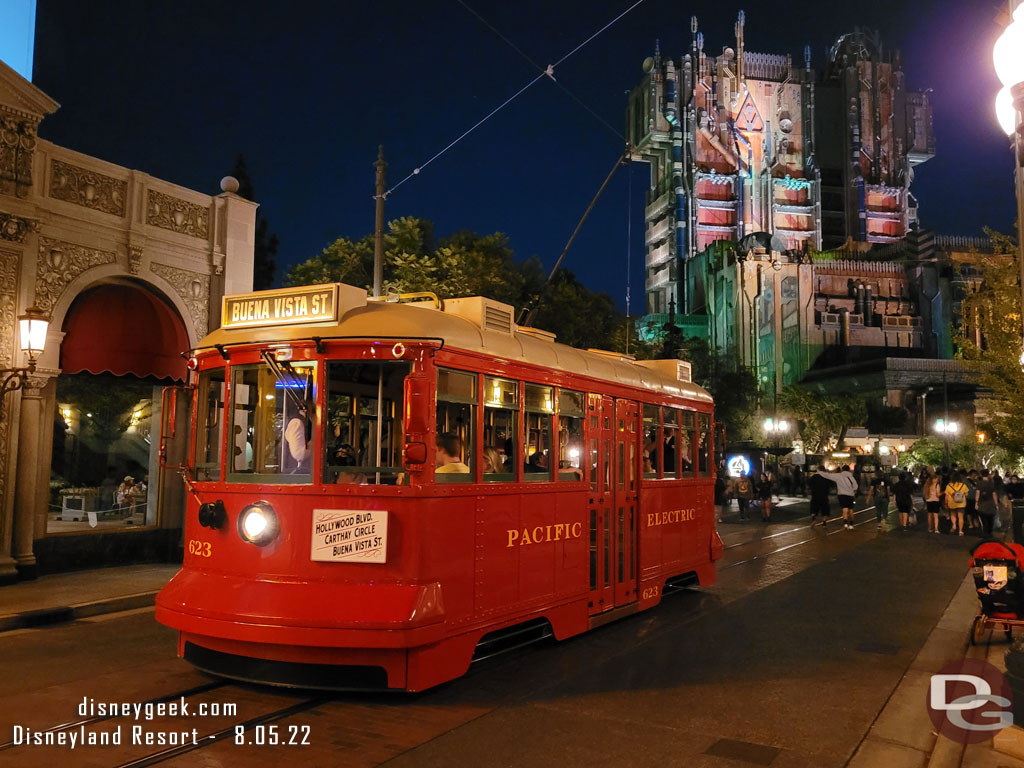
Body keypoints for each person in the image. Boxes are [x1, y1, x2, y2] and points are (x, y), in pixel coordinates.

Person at [817, 465, 858, 530]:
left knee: (844, 509)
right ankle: (851, 524)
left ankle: (845, 523)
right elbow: (855, 487)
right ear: (849, 470)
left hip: (842, 495)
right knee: (851, 510)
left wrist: (819, 472)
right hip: (850, 495)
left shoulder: (838, 476)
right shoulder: (851, 477)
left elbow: (828, 475)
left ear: (842, 470)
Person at [284, 398, 313, 473]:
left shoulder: (303, 422)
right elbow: (299, 454)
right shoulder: (297, 422)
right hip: (297, 473)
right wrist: (314, 443)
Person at [944, 470, 969, 536]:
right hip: (961, 503)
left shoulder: (949, 486)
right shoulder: (963, 485)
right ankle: (960, 531)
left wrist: (945, 503)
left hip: (952, 503)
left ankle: (954, 525)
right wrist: (962, 495)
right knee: (961, 517)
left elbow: (946, 496)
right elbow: (966, 494)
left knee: (953, 515)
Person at [976, 468, 999, 538]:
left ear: (981, 474)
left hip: (982, 504)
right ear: (988, 474)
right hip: (991, 504)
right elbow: (994, 494)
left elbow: (978, 493)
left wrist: (976, 502)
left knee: (984, 519)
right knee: (990, 519)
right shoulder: (991, 483)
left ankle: (985, 533)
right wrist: (996, 504)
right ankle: (990, 532)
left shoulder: (979, 483)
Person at [923, 469, 943, 534]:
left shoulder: (927, 485)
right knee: (936, 516)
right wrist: (944, 492)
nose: (937, 480)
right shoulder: (937, 485)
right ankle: (936, 529)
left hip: (929, 501)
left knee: (929, 515)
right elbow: (938, 494)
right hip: (935, 501)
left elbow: (924, 494)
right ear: (933, 479)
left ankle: (930, 528)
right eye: (937, 479)